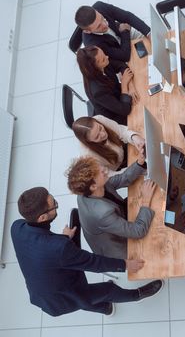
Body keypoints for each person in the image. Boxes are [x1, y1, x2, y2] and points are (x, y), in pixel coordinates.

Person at [11, 187, 164, 317]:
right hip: (58, 299)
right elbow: (94, 263)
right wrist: (125, 264)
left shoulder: (17, 227)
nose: (57, 205)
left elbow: (39, 244)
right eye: (54, 205)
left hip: (45, 279)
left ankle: (105, 308)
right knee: (105, 291)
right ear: (42, 217)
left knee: (87, 300)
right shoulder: (59, 248)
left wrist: (63, 238)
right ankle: (137, 295)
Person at [66, 151, 156, 260]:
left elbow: (122, 179)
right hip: (118, 247)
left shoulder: (88, 189)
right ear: (93, 187)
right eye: (100, 172)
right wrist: (146, 201)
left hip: (117, 218)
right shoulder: (102, 213)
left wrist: (139, 163)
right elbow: (138, 231)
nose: (104, 170)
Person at [77, 45, 139, 125]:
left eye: (104, 54)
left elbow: (121, 65)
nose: (107, 57)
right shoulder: (98, 91)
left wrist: (130, 86)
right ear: (95, 68)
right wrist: (124, 85)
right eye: (103, 59)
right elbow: (124, 110)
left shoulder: (103, 63)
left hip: (120, 97)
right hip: (117, 118)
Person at [75, 2, 151, 62]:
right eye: (98, 26)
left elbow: (127, 17)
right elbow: (124, 56)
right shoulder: (94, 45)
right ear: (87, 31)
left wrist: (149, 33)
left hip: (122, 33)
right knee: (140, 64)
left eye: (102, 18)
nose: (105, 24)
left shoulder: (100, 6)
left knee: (150, 41)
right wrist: (125, 32)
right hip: (118, 50)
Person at [73, 115, 145, 177]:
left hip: (124, 149)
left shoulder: (99, 119)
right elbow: (111, 176)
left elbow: (121, 131)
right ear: (89, 141)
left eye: (100, 128)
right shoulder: (89, 157)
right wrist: (136, 168)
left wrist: (135, 137)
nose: (103, 134)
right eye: (97, 137)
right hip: (121, 169)